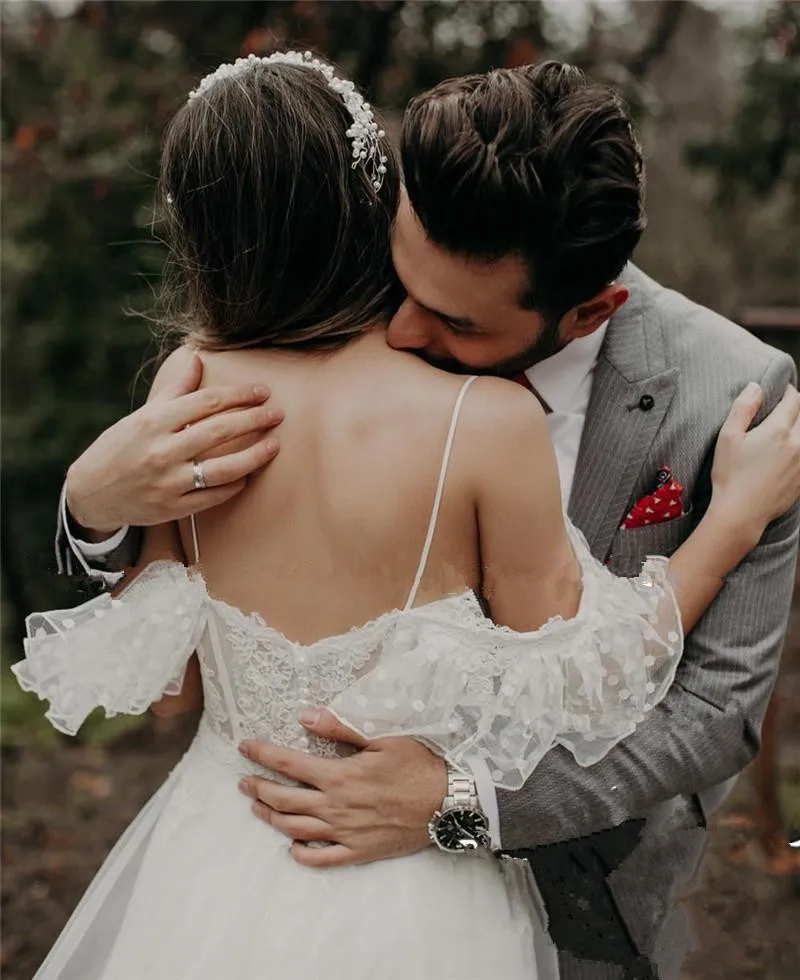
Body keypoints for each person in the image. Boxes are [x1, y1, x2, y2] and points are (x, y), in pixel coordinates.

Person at [47, 60, 799, 980]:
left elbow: (716, 714)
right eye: (398, 279)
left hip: (236, 863)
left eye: (450, 321)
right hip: (420, 914)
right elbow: (587, 672)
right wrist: (90, 502)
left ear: (588, 310)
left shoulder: (740, 395)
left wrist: (458, 802)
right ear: (373, 205)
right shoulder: (478, 387)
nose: (402, 331)